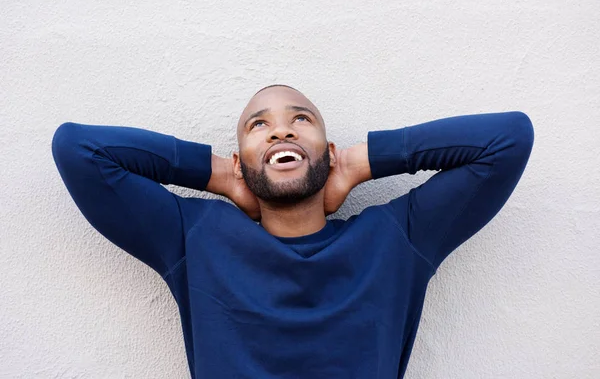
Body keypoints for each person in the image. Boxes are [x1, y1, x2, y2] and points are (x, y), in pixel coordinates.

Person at [51, 84, 534, 378]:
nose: (281, 132)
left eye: (301, 120)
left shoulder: (395, 239)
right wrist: (220, 175)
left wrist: (358, 163)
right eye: (259, 126)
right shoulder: (195, 236)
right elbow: (78, 149)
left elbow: (507, 138)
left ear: (327, 151)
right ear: (242, 159)